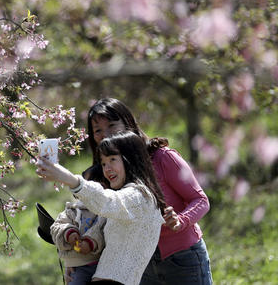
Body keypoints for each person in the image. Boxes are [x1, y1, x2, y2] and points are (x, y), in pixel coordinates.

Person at [85, 98, 213, 285]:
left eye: (112, 125)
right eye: (98, 131)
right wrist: (78, 264)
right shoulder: (106, 173)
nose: (105, 135)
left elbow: (200, 200)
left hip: (183, 259)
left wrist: (180, 220)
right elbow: (102, 227)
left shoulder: (162, 157)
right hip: (140, 265)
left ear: (128, 123)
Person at [37, 131, 166, 285]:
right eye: (104, 163)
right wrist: (75, 262)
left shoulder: (138, 197)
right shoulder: (139, 196)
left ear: (131, 159)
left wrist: (69, 179)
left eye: (112, 159)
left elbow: (106, 201)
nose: (107, 168)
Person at [50, 180, 107, 285]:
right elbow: (57, 226)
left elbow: (100, 231)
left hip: (101, 264)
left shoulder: (105, 213)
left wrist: (90, 242)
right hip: (77, 266)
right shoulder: (73, 210)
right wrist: (68, 232)